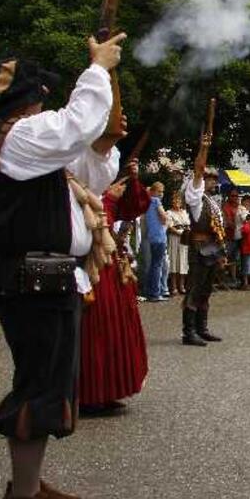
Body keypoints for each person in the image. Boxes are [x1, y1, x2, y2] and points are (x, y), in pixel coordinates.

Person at [0, 34, 125, 499]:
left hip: (45, 281)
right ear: (23, 103)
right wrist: (97, 69)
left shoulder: (19, 144)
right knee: (39, 388)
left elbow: (89, 171)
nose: (44, 104)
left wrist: (104, 141)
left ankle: (27, 485)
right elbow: (74, 123)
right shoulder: (12, 138)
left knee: (44, 383)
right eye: (38, 97)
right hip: (36, 282)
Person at [79, 161, 150, 415]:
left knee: (116, 330)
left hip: (114, 272)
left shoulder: (105, 190)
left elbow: (134, 208)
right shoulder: (77, 187)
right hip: (92, 272)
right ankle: (89, 394)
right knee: (95, 332)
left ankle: (110, 390)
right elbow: (93, 224)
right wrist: (107, 200)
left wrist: (132, 180)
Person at [181, 131, 229, 347]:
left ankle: (202, 328)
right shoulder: (195, 197)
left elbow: (218, 228)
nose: (212, 181)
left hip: (212, 246)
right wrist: (204, 148)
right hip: (199, 247)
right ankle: (188, 332)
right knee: (195, 289)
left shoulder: (211, 201)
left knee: (206, 289)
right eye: (209, 178)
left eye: (213, 179)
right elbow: (198, 169)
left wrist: (221, 250)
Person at [142, 182, 168, 301]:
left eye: (162, 192)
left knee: (153, 265)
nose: (161, 194)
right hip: (159, 236)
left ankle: (150, 291)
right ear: (153, 191)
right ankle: (156, 292)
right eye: (159, 191)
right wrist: (165, 219)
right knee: (157, 265)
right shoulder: (156, 201)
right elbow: (163, 217)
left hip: (151, 236)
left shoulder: (146, 202)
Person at [165, 190, 190, 299]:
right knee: (174, 260)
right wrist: (179, 232)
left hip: (185, 238)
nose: (177, 202)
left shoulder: (184, 212)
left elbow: (188, 224)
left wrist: (187, 232)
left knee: (183, 261)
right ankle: (174, 286)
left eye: (178, 200)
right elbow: (170, 227)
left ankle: (182, 285)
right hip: (175, 238)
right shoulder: (169, 212)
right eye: (175, 200)